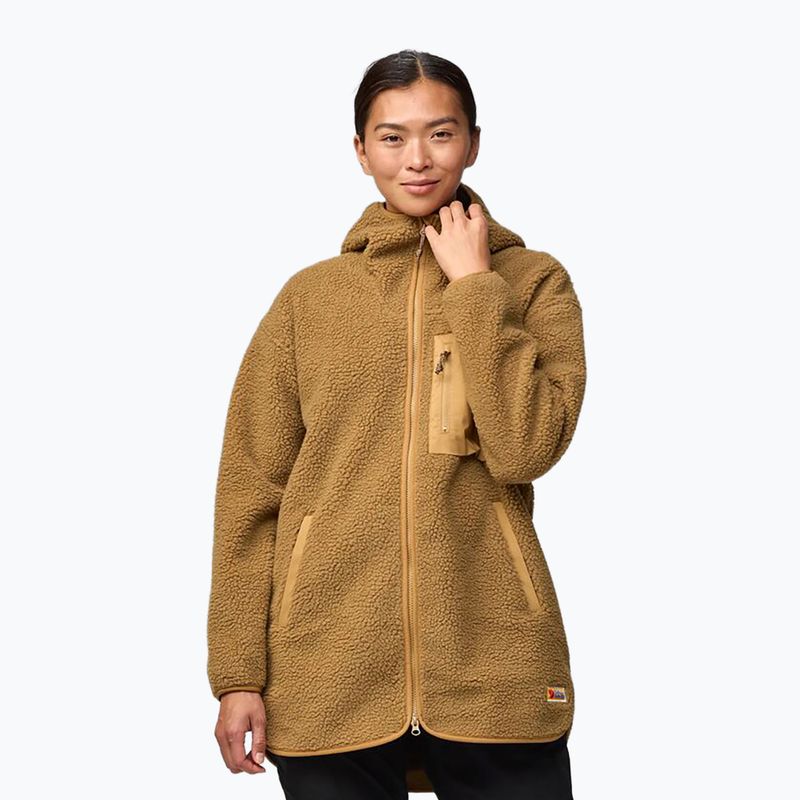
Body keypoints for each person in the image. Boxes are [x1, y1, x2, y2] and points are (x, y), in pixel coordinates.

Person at [207, 49, 586, 799]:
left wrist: (475, 288)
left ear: (473, 142)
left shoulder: (532, 282)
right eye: (392, 137)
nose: (417, 158)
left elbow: (525, 447)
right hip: (328, 669)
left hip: (493, 663)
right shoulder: (310, 300)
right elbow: (250, 493)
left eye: (440, 133)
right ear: (361, 150)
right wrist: (237, 672)